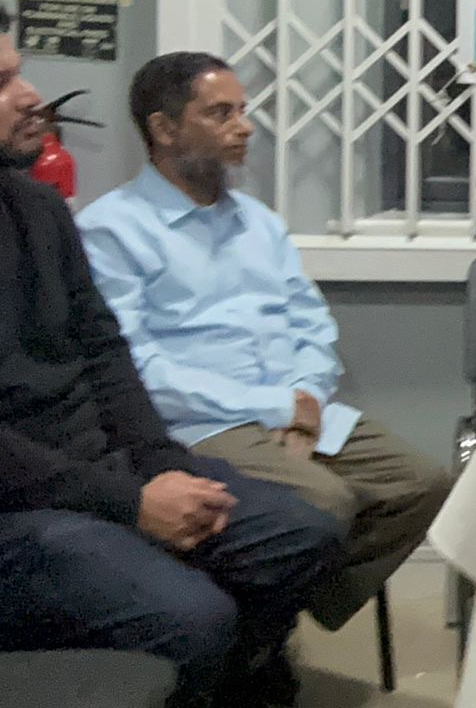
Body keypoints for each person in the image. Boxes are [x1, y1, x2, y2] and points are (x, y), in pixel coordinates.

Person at [0, 21, 341, 708]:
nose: (31, 95)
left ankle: (231, 683)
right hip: (22, 504)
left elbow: (105, 349)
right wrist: (130, 503)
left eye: (19, 72)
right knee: (193, 616)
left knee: (305, 534)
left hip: (104, 466)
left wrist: (160, 463)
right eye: (3, 82)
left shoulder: (37, 205)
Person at [78, 52, 454, 635]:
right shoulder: (112, 228)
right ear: (164, 128)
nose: (245, 126)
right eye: (220, 113)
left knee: (424, 483)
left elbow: (310, 321)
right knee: (325, 501)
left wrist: (306, 396)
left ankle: (268, 620)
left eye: (243, 110)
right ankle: (257, 632)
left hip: (295, 405)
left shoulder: (258, 221)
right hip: (200, 423)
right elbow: (134, 367)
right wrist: (279, 408)